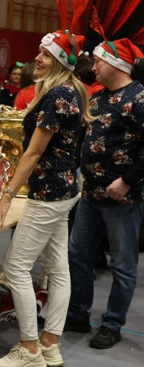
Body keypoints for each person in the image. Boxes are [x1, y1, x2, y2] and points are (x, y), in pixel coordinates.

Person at [0, 28, 90, 367]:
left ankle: (29, 347)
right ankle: (51, 343)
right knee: (58, 266)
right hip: (65, 189)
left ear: (60, 61)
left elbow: (33, 152)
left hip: (48, 192)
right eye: (39, 53)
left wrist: (6, 194)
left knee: (16, 267)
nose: (37, 58)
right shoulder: (72, 91)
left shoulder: (56, 95)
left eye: (45, 55)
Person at [64, 36, 144, 350]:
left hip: (122, 198)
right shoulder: (97, 98)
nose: (93, 67)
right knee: (77, 255)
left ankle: (112, 324)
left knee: (122, 265)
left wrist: (126, 180)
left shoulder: (139, 99)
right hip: (91, 195)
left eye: (98, 62)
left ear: (115, 64)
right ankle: (78, 313)